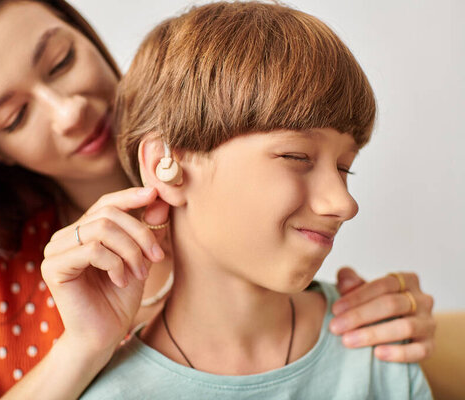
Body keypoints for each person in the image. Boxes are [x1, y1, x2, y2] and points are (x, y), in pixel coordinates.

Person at [0, 0, 434, 399]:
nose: (70, 111)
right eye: (15, 116)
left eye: (61, 60)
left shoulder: (225, 109)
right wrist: (82, 350)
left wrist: (408, 322)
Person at [79, 2, 432, 399]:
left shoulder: (378, 347)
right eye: (297, 157)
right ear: (168, 163)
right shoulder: (116, 392)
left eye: (345, 167)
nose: (344, 203)